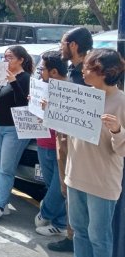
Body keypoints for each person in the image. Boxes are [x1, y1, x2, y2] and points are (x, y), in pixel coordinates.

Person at [66, 48, 125, 257]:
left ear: (105, 72)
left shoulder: (122, 102)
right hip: (76, 176)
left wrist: (118, 130)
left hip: (102, 182)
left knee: (99, 238)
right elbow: (71, 131)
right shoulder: (82, 96)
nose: (83, 70)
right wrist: (50, 114)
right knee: (80, 232)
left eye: (89, 67)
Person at [49, 26, 93, 253]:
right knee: (67, 188)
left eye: (63, 42)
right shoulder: (74, 71)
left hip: (80, 145)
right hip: (66, 139)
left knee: (76, 191)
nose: (60, 47)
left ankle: (78, 237)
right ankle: (71, 234)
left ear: (73, 45)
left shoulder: (89, 72)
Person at [0, 45, 33, 223]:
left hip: (14, 129)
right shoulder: (1, 77)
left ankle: (0, 207)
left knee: (7, 169)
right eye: (4, 57)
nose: (5, 61)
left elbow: (22, 104)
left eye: (9, 57)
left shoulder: (25, 78)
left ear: (20, 60)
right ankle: (1, 202)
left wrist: (13, 82)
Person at [34, 51, 68, 236]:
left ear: (54, 71)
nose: (40, 73)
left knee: (58, 187)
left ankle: (45, 212)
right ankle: (60, 224)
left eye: (42, 69)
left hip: (60, 146)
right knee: (50, 185)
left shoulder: (70, 90)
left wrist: (50, 110)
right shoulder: (42, 87)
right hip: (43, 142)